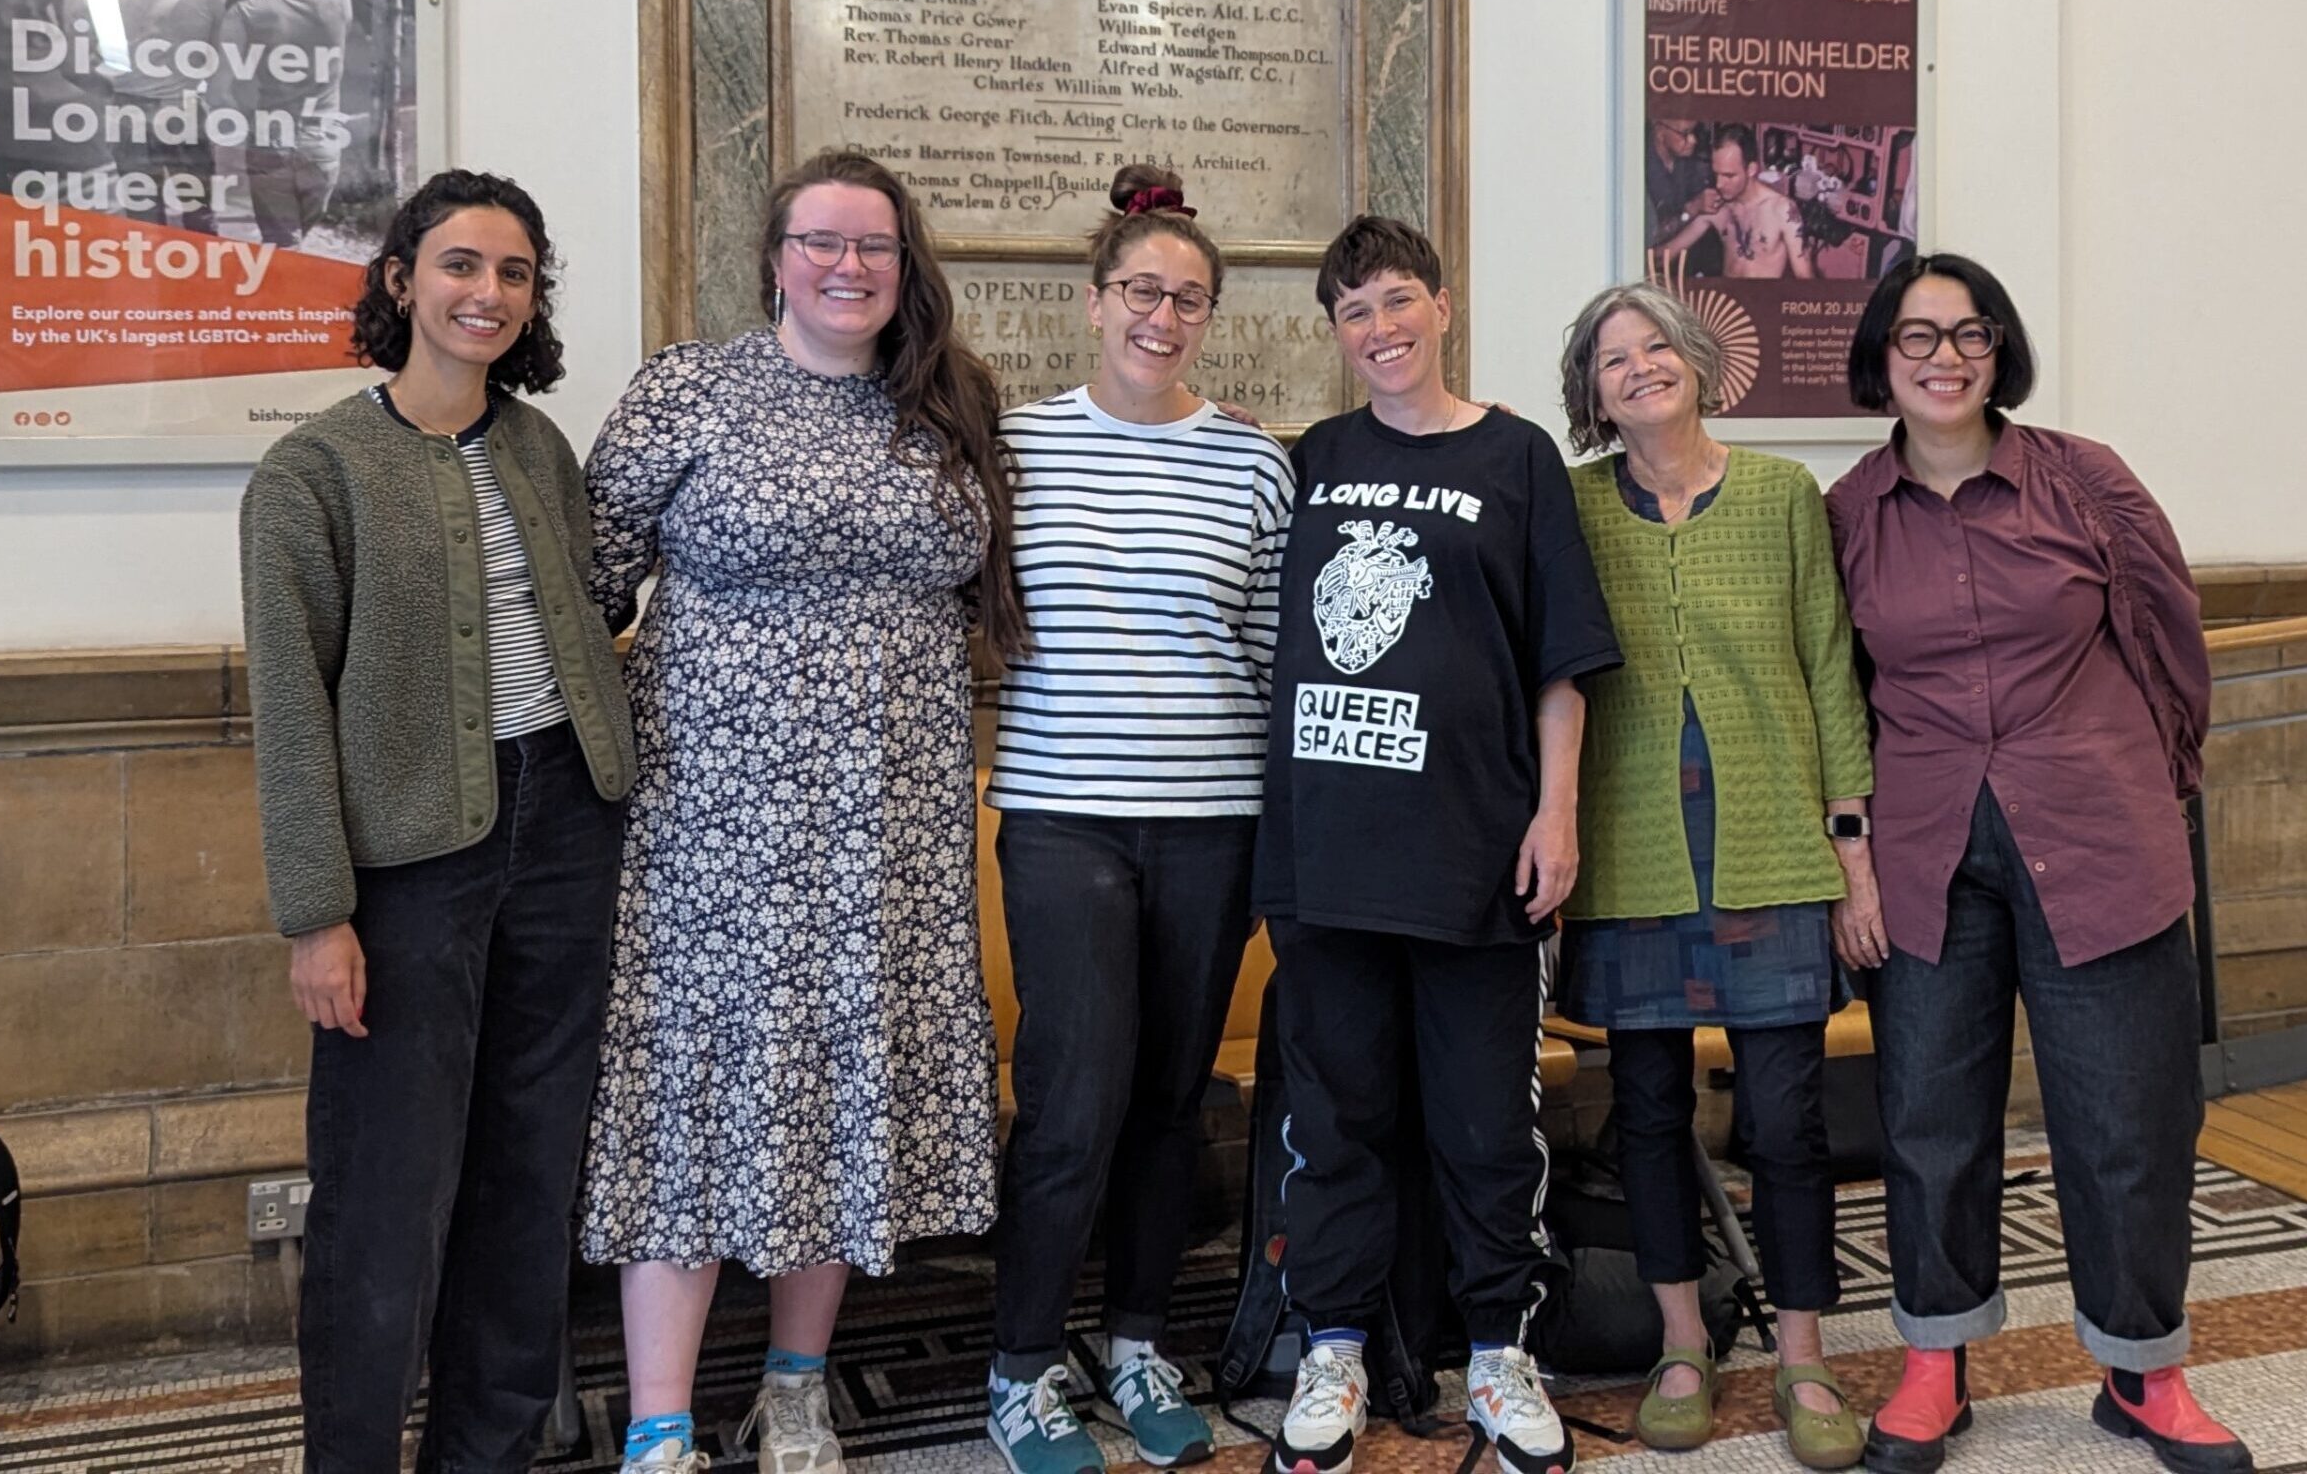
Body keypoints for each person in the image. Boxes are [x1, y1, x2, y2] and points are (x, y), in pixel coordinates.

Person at [580, 150, 1023, 1474]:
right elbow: (588, 583)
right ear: (773, 257)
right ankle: (660, 1428)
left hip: (891, 821)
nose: (848, 266)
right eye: (821, 242)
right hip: (714, 825)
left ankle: (796, 1390)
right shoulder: (691, 391)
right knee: (696, 1090)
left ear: (906, 265)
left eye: (874, 246)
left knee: (842, 1088)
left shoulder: (949, 405)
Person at [239, 170, 637, 1472]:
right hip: (411, 868)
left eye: (515, 274)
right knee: (387, 1194)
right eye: (463, 265)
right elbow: (293, 714)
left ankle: (490, 1451)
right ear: (402, 279)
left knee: (531, 1183)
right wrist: (318, 917)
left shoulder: (539, 450)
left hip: (567, 838)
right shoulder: (314, 473)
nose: (489, 294)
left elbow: (583, 622)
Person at [1826, 254, 2247, 1474]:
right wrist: (1849, 856)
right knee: (1927, 1120)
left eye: (1967, 334)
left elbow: (2170, 637)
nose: (1943, 357)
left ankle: (2142, 1370)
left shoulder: (2085, 480)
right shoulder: (1848, 510)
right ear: (1880, 358)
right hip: (1925, 851)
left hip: (2098, 833)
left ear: (1999, 350)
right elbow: (1838, 693)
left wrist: (2154, 789)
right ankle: (1932, 1363)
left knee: (2126, 1120)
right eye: (1916, 337)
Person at [1255, 216, 1620, 1474]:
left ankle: (1499, 1350)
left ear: (1443, 305)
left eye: (1396, 299)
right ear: (1337, 333)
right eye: (1353, 311)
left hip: (1474, 852)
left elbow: (1562, 663)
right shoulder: (1312, 458)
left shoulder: (1518, 457)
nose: (1379, 327)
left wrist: (1555, 810)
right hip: (1324, 853)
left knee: (1483, 1126)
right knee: (1337, 1116)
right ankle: (1336, 1345)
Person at [980, 164, 1294, 1474]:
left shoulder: (1256, 465)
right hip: (1063, 820)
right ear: (1096, 301)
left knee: (1175, 1096)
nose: (1163, 316)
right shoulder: (1016, 448)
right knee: (1075, 1094)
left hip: (1213, 820)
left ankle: (1141, 1340)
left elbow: (1279, 661)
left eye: (1189, 299)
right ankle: (1020, 1364)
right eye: (1142, 291)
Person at [1550, 284, 1878, 1470]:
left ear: (1696, 360)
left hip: (1771, 851)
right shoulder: (1572, 505)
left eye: (1653, 349)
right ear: (1589, 392)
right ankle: (1680, 1341)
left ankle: (1799, 1351)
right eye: (1609, 359)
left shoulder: (1785, 494)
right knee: (1641, 1115)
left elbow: (1829, 668)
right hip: (1632, 851)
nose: (1636, 369)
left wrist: (1853, 845)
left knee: (1787, 1121)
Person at [218, 0, 353, 249]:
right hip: (323, 142)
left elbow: (220, 91)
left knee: (283, 246)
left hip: (271, 142)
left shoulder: (244, 14)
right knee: (297, 243)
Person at [101, 0, 224, 232]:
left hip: (128, 112)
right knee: (200, 216)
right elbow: (220, 68)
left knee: (143, 223)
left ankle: (156, 285)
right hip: (184, 110)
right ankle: (200, 282)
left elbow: (78, 64)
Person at [1655, 125, 1815, 279]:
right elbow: (1664, 256)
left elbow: (1805, 279)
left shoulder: (1782, 209)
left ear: (1751, 170)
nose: (1719, 184)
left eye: (1729, 176)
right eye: (1716, 174)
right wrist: (1691, 209)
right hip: (1725, 304)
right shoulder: (1717, 206)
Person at [1643, 118, 1715, 248]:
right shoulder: (1640, 170)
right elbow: (1650, 236)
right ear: (1660, 133)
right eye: (1685, 133)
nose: (1693, 140)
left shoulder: (1690, 163)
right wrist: (1691, 210)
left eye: (1695, 132)